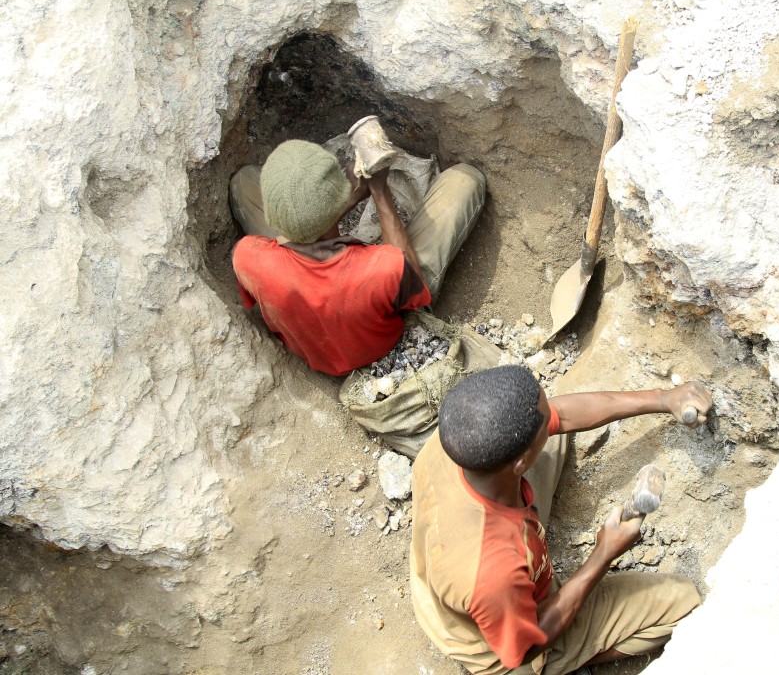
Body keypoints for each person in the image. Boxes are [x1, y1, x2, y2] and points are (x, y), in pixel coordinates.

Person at [410, 365, 713, 675]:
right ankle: (569, 658)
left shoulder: (458, 434)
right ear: (521, 463)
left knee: (552, 435)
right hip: (502, 644)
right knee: (683, 602)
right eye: (548, 417)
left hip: (457, 575)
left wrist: (664, 399)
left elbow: (561, 415)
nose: (555, 415)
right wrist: (603, 554)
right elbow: (526, 647)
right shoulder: (492, 571)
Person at [229, 137, 485, 376]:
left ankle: (305, 215)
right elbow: (403, 269)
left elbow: (298, 244)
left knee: (244, 181)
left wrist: (345, 201)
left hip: (312, 344)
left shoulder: (248, 257)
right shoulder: (383, 269)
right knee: (466, 180)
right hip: (382, 340)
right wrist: (379, 191)